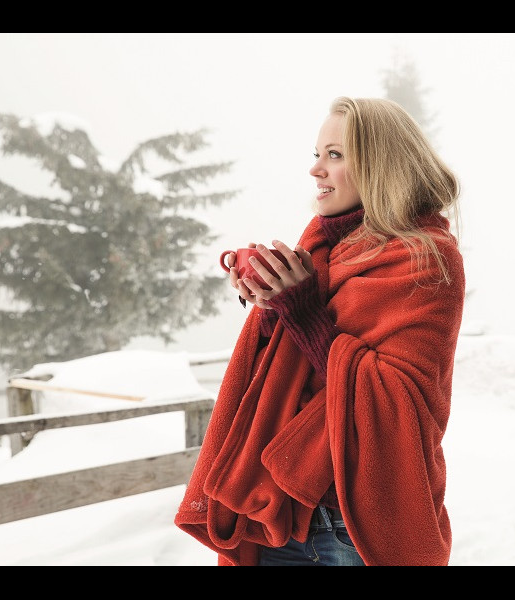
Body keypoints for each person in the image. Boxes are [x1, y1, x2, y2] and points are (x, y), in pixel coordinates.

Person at [175, 96, 465, 566]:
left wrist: (304, 309)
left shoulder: (425, 258)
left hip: (358, 526)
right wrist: (274, 304)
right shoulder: (322, 250)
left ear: (380, 164)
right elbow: (290, 378)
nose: (316, 170)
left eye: (335, 154)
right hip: (280, 518)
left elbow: (396, 401)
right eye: (316, 154)